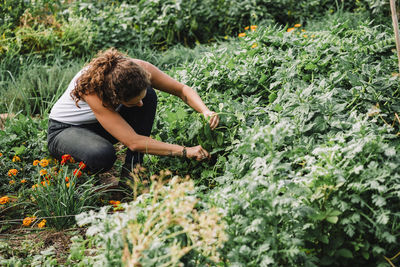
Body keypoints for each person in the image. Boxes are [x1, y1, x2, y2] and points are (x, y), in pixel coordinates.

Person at [47, 48, 219, 180]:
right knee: (101, 155)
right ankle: (76, 174)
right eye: (132, 102)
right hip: (65, 131)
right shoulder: (92, 90)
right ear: (114, 97)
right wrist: (185, 151)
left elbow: (182, 89)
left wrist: (205, 111)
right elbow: (134, 142)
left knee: (149, 95)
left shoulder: (136, 70)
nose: (140, 105)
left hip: (99, 124)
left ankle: (132, 174)